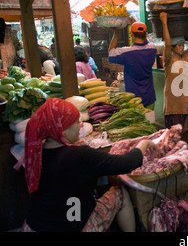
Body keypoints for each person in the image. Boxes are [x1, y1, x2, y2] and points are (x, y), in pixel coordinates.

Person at [20, 98, 158, 232]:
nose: (80, 125)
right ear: (63, 129)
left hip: (34, 226)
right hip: (72, 227)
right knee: (120, 193)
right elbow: (127, 163)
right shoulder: (79, 155)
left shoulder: (37, 153)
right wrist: (144, 143)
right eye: (76, 122)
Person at [160, 12, 188, 143]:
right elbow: (166, 44)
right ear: (173, 47)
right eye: (178, 45)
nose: (181, 48)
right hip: (175, 100)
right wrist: (164, 22)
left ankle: (186, 150)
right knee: (175, 133)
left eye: (182, 45)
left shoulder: (187, 55)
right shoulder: (169, 58)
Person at [108, 23, 157, 109]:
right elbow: (147, 42)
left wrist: (116, 33)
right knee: (149, 121)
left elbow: (111, 53)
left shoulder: (126, 52)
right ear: (145, 34)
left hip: (133, 100)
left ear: (131, 35)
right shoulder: (152, 49)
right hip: (150, 98)